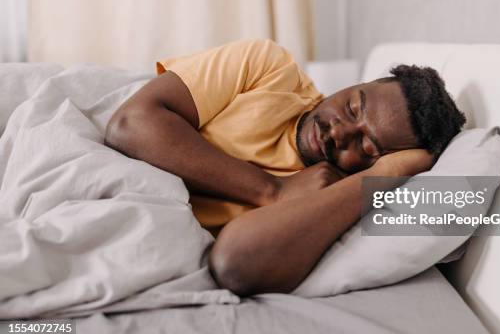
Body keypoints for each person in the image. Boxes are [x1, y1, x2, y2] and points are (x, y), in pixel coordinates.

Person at [104, 39, 466, 296]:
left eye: (367, 147)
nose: (339, 132)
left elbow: (235, 264)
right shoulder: (268, 68)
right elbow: (130, 123)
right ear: (358, 83)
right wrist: (272, 190)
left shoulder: (331, 197)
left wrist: (383, 177)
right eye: (354, 108)